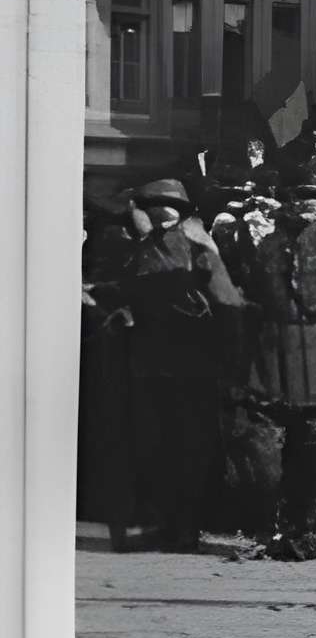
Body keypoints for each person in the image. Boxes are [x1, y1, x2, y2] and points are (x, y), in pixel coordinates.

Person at [117, 176, 244, 552]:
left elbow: (228, 304)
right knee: (159, 446)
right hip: (156, 363)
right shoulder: (147, 248)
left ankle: (184, 528)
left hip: (190, 365)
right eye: (148, 205)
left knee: (188, 448)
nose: (153, 212)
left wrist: (230, 363)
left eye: (157, 205)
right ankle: (168, 523)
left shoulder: (196, 246)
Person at [238, 161, 316, 561]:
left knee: (309, 453)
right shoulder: (269, 245)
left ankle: (303, 531)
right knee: (269, 455)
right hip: (274, 362)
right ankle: (267, 527)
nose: (309, 206)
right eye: (302, 198)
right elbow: (257, 297)